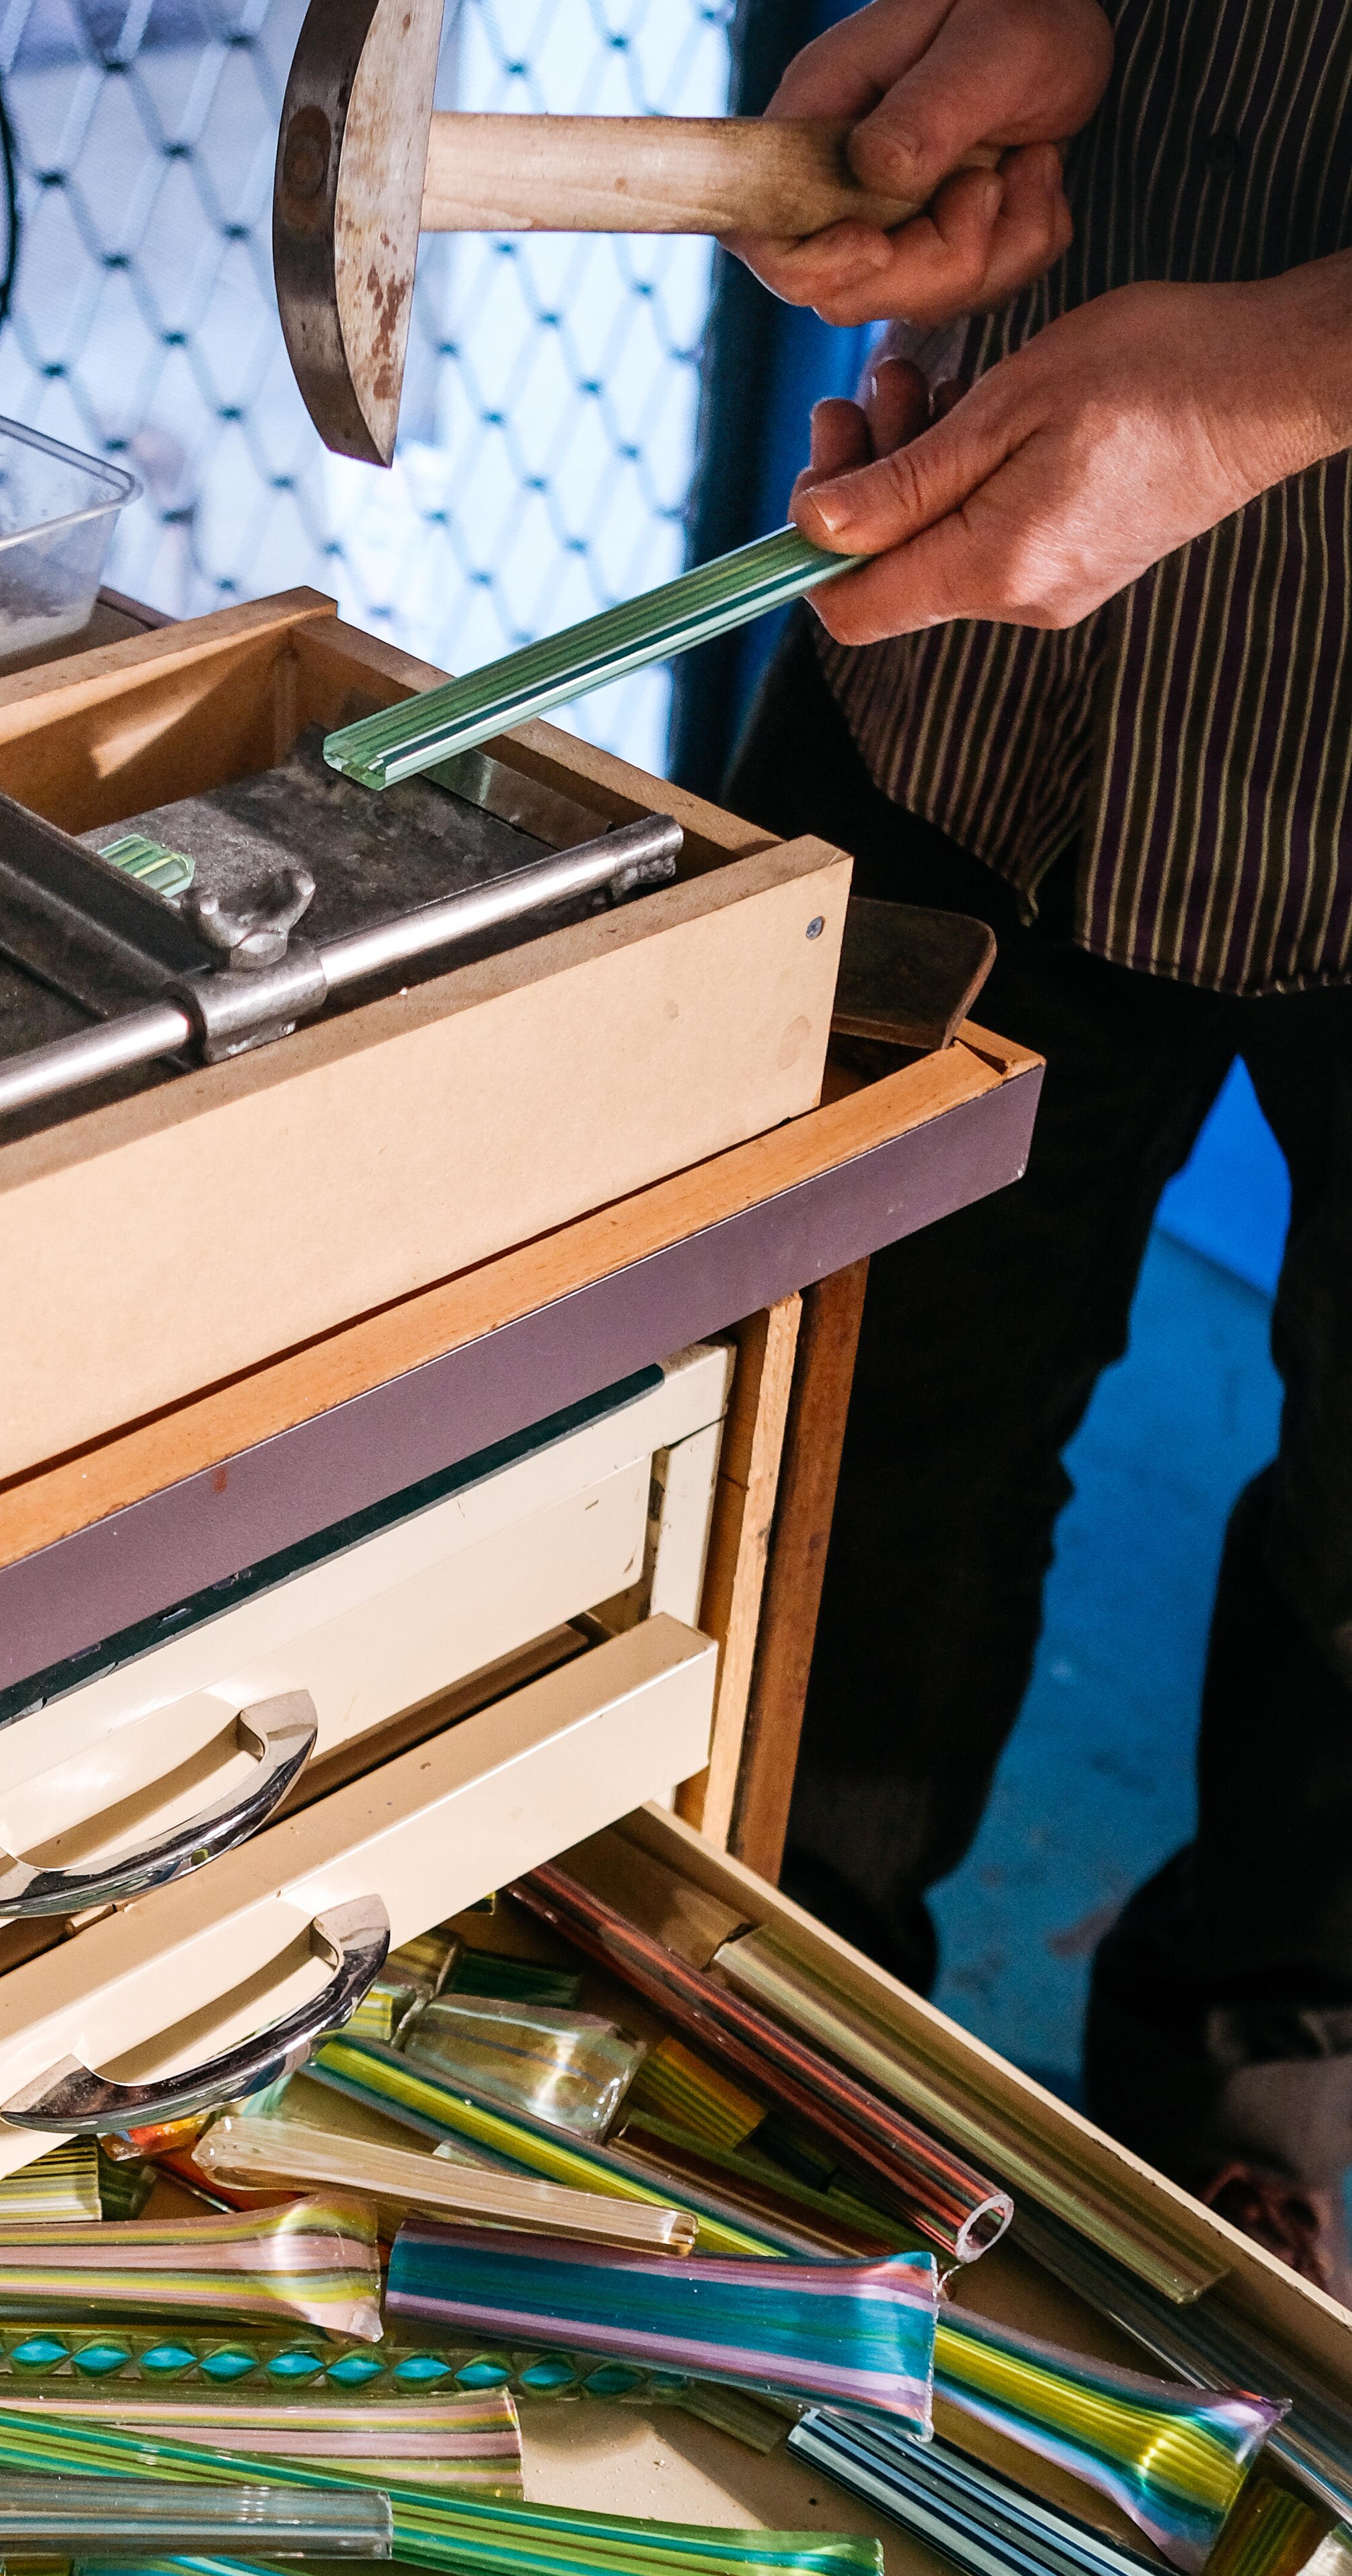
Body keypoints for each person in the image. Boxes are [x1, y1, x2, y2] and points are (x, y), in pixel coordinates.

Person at [709, 0, 1352, 2275]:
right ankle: (783, 2055)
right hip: (975, 693)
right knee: (834, 1452)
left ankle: (1247, 2093)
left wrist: (1284, 373)